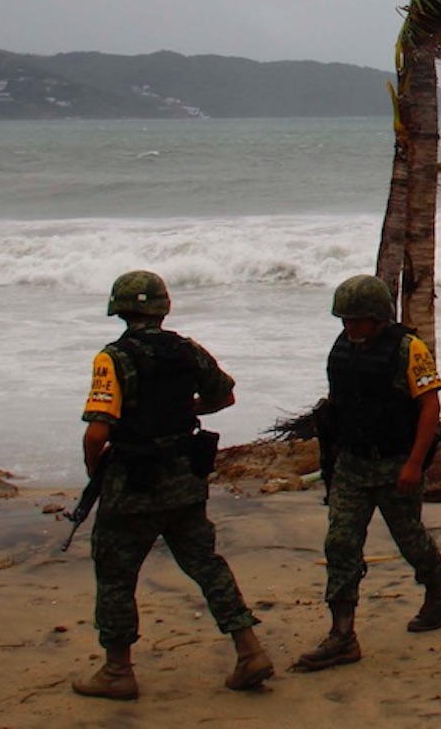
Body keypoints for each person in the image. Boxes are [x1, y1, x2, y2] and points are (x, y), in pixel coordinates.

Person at [73, 270, 273, 701]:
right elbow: (224, 396)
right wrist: (185, 411)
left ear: (121, 309)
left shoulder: (114, 358)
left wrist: (96, 472)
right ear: (162, 308)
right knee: (206, 564)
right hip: (184, 478)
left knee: (115, 575)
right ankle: (248, 649)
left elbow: (97, 432)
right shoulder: (187, 351)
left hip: (134, 485)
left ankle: (117, 670)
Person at [291, 274, 441, 673]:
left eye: (358, 320)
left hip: (394, 462)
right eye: (345, 320)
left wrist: (415, 464)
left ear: (379, 317)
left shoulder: (407, 349)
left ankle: (438, 593)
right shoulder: (343, 346)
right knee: (341, 544)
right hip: (352, 465)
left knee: (410, 539)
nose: (350, 328)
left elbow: (430, 408)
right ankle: (342, 634)